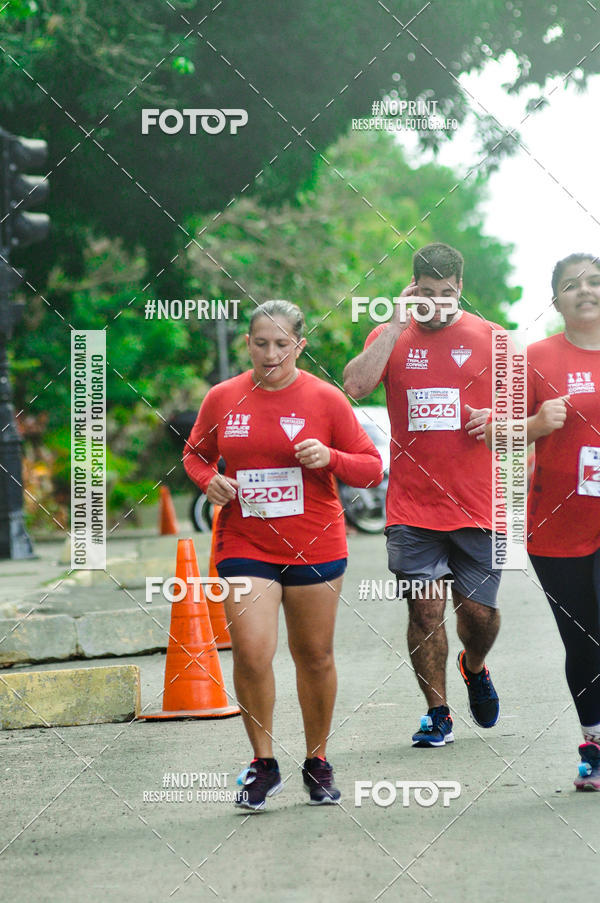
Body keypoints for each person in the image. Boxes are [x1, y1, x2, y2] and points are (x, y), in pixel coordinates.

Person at [183, 299, 383, 810]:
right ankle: (263, 762)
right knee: (251, 652)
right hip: (244, 541)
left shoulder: (325, 399)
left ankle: (317, 761)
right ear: (246, 342)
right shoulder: (223, 397)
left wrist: (330, 457)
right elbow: (195, 455)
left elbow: (370, 468)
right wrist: (212, 481)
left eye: (281, 344)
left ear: (300, 344)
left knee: (313, 656)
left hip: (315, 541)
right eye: (260, 343)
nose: (270, 353)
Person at [344, 242, 503, 747]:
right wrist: (393, 323)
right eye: (426, 294)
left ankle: (473, 665)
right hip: (412, 507)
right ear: (412, 289)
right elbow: (355, 386)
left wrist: (501, 419)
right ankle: (438, 712)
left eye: (447, 294)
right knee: (425, 611)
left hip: (479, 503)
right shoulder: (390, 335)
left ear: (462, 290)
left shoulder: (493, 339)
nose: (437, 303)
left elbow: (529, 407)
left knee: (478, 616)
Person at [518, 253, 600, 789]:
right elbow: (493, 434)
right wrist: (533, 423)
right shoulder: (535, 358)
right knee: (584, 641)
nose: (585, 291)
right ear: (555, 300)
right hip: (558, 521)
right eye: (571, 285)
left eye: (594, 282)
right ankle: (594, 744)